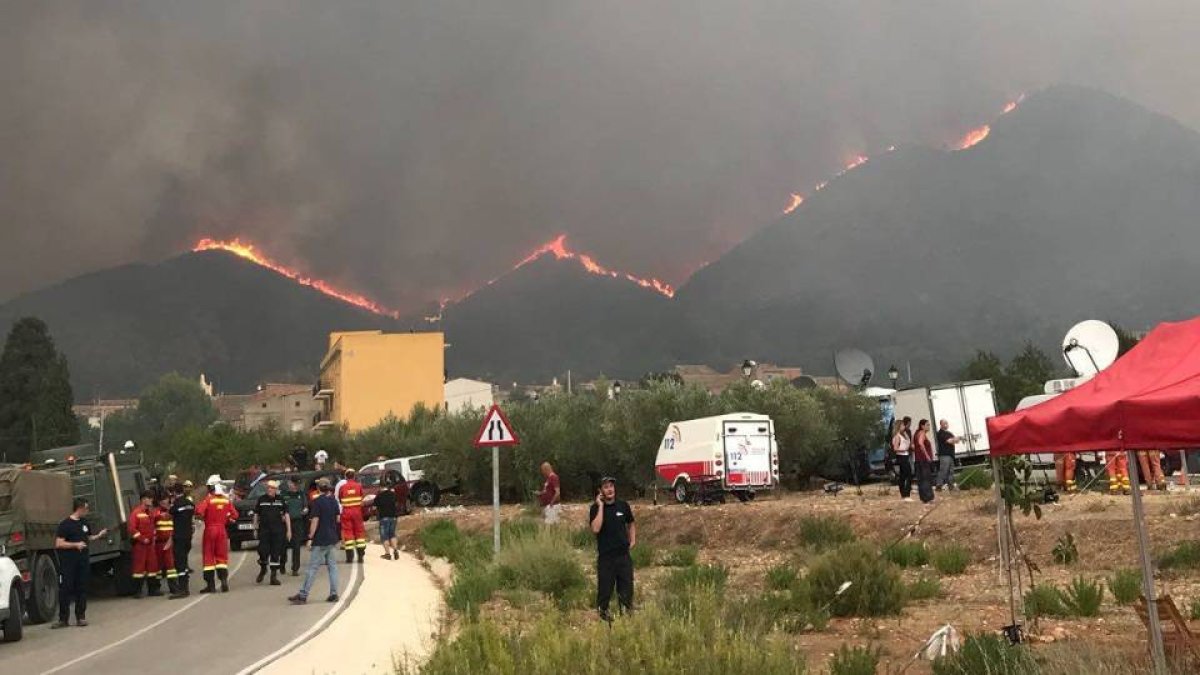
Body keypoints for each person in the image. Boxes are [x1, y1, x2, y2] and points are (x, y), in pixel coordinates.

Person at [52, 498, 108, 628]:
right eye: (86, 508)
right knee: (65, 589)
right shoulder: (65, 524)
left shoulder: (84, 523)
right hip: (68, 562)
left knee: (81, 588)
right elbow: (59, 543)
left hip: (82, 561)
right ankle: (63, 619)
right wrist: (75, 545)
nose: (87, 511)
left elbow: (87, 538)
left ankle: (80, 617)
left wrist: (99, 535)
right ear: (80, 508)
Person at [589, 476, 636, 621]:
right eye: (606, 487)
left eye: (611, 486)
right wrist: (601, 506)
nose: (610, 489)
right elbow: (596, 528)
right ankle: (606, 623)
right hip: (606, 559)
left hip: (623, 557)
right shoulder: (595, 508)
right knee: (604, 594)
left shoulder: (623, 506)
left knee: (626, 592)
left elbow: (631, 523)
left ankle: (625, 623)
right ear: (600, 491)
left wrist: (632, 540)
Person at [288, 478, 341, 604]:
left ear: (318, 488)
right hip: (332, 538)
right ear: (328, 488)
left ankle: (303, 595)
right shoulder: (333, 501)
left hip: (320, 539)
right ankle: (334, 593)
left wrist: (310, 537)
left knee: (312, 568)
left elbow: (315, 521)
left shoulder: (317, 502)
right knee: (332, 567)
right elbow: (338, 519)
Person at [195, 480, 239, 593]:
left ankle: (211, 585)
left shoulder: (209, 499)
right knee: (221, 557)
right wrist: (227, 518)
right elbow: (235, 515)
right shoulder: (226, 500)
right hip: (222, 530)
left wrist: (203, 517)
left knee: (208, 557)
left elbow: (199, 511)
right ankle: (224, 580)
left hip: (210, 530)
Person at [254, 480, 291, 585]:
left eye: (272, 488)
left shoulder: (281, 500)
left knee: (275, 553)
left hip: (277, 531)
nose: (270, 489)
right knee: (262, 551)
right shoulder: (261, 499)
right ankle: (263, 569)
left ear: (276, 490)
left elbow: (287, 515)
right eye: (269, 487)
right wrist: (255, 528)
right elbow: (256, 514)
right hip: (264, 530)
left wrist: (289, 530)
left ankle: (273, 576)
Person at [128, 490, 161, 597]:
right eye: (149, 498)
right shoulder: (136, 513)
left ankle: (153, 590)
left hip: (150, 545)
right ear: (143, 499)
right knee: (139, 568)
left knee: (152, 567)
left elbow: (152, 526)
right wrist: (142, 539)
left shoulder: (150, 513)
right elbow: (132, 529)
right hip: (140, 545)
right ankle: (137, 591)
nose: (151, 500)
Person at [169, 480, 195, 598]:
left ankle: (183, 589)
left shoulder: (176, 504)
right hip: (188, 536)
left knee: (180, 563)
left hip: (179, 537)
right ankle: (185, 587)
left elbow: (171, 512)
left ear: (174, 493)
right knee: (184, 562)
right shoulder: (189, 503)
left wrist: (173, 503)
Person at [154, 491, 183, 598]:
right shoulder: (156, 513)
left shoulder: (172, 512)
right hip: (158, 543)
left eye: (165, 499)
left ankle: (173, 587)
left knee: (171, 567)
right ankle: (155, 588)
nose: (164, 502)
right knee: (158, 567)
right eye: (162, 500)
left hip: (170, 542)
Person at [337, 469, 367, 563]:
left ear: (346, 477)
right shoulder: (358, 486)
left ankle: (349, 557)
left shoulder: (343, 487)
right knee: (359, 532)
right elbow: (362, 498)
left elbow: (340, 499)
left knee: (348, 533)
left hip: (346, 512)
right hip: (357, 512)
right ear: (354, 476)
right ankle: (361, 556)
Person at [281, 478, 306, 576]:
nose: (295, 486)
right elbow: (280, 507)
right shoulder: (283, 495)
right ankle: (282, 564)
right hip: (285, 523)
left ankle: (295, 568)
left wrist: (305, 510)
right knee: (283, 546)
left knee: (296, 546)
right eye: (293, 484)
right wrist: (281, 515)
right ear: (289, 484)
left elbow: (305, 506)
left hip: (297, 522)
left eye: (297, 484)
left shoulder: (301, 494)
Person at [374, 477, 399, 560]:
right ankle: (395, 550)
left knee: (384, 536)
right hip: (394, 517)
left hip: (384, 518)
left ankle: (387, 554)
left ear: (380, 486)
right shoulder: (393, 494)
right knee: (392, 534)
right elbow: (396, 503)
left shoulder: (379, 496)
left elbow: (375, 507)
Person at [913, 419, 936, 504]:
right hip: (923, 460)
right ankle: (929, 498)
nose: (928, 426)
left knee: (921, 479)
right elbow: (920, 443)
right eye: (927, 425)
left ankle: (924, 498)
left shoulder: (916, 433)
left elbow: (913, 445)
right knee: (926, 479)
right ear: (922, 426)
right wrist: (927, 456)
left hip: (918, 460)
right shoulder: (922, 433)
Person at [891, 417, 914, 501]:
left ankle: (905, 494)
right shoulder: (897, 436)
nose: (904, 426)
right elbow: (895, 448)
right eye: (903, 425)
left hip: (906, 455)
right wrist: (904, 449)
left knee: (904, 475)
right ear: (899, 426)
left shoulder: (903, 434)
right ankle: (905, 494)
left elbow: (909, 441)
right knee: (907, 475)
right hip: (901, 456)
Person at [934, 420, 959, 491]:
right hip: (944, 455)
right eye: (944, 423)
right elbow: (949, 441)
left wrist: (953, 440)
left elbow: (956, 441)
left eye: (947, 423)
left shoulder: (949, 433)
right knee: (943, 470)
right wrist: (953, 440)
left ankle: (950, 485)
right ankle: (939, 485)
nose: (946, 425)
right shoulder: (940, 433)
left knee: (951, 471)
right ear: (941, 424)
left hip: (951, 454)